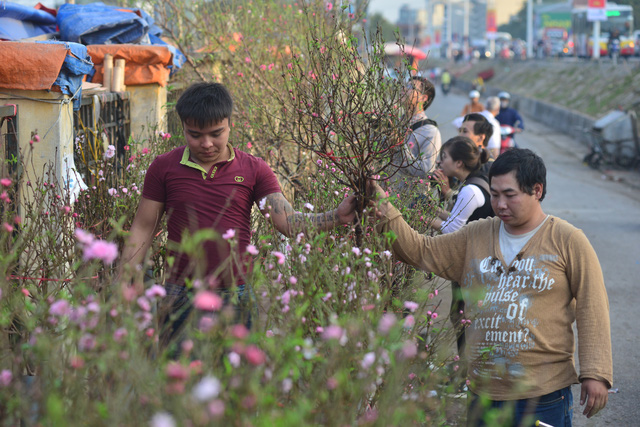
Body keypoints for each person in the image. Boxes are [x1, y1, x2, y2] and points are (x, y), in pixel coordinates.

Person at [365, 148, 612, 426]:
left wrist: (596, 373)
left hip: (542, 395)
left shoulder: (567, 240)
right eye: (494, 195)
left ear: (537, 190)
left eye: (510, 195)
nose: (500, 204)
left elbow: (593, 306)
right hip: (483, 392)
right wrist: (383, 206)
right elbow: (422, 251)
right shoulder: (476, 234)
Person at [119, 82, 356, 352]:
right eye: (195, 135)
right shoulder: (164, 167)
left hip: (235, 296)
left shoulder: (254, 169)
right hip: (180, 295)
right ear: (182, 127)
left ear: (229, 124)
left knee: (236, 384)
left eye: (216, 133)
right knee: (179, 383)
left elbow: (288, 223)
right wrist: (128, 275)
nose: (206, 144)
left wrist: (336, 216)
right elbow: (143, 227)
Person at [430, 137, 494, 389]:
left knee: (463, 318)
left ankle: (466, 378)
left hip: (474, 265)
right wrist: (433, 211)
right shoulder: (473, 184)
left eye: (443, 156)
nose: (439, 161)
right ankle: (464, 371)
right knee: (460, 316)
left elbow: (453, 230)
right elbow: (461, 222)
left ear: (458, 162)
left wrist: (421, 217)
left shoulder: (470, 189)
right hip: (476, 262)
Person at [393, 76, 442, 186]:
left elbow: (425, 171)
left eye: (410, 87)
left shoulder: (430, 132)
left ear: (423, 98)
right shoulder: (395, 123)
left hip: (406, 198)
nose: (404, 89)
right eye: (405, 85)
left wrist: (399, 144)